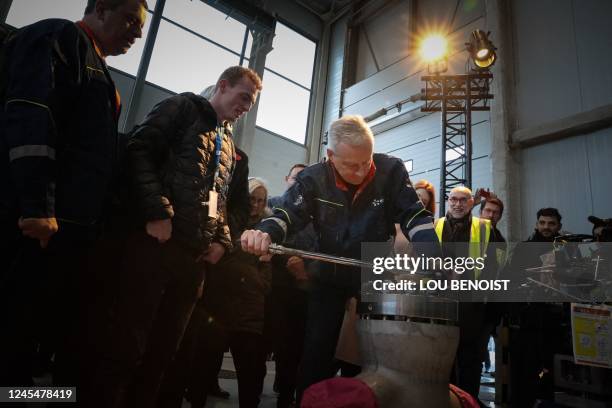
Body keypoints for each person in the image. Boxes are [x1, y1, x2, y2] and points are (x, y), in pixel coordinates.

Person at [88, 66, 262, 408]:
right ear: (223, 86)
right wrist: (156, 211)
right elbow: (138, 151)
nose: (246, 108)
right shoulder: (181, 108)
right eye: (244, 97)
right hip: (155, 246)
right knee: (126, 345)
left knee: (164, 353)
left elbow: (217, 200)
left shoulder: (227, 144)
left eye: (251, 104)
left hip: (193, 261)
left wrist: (220, 240)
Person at [241, 115, 440, 403]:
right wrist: (263, 233)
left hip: (374, 274)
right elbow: (286, 216)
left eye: (366, 161)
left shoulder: (391, 170)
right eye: (351, 165)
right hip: (328, 274)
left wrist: (430, 249)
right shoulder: (312, 178)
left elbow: (414, 215)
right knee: (316, 353)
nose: (361, 171)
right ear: (330, 156)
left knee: (369, 356)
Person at [0, 0, 147, 389]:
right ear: (100, 8)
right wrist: (36, 204)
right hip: (31, 222)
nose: (137, 32)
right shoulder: (59, 36)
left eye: (142, 26)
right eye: (131, 20)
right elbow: (31, 113)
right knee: (10, 328)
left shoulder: (99, 67)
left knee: (28, 334)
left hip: (65, 230)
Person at [434, 186, 503, 403]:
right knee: (441, 360)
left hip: (471, 305)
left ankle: (468, 402)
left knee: (469, 361)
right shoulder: (435, 226)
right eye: (453, 199)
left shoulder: (484, 227)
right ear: (447, 201)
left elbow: (494, 265)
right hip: (441, 302)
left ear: (471, 203)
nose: (457, 204)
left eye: (463, 200)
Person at [266, 162, 315, 408]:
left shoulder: (317, 216)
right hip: (275, 286)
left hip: (304, 288)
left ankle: (286, 395)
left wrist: (305, 272)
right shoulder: (272, 206)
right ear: (287, 179)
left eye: (304, 180)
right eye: (296, 178)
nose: (299, 184)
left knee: (294, 346)